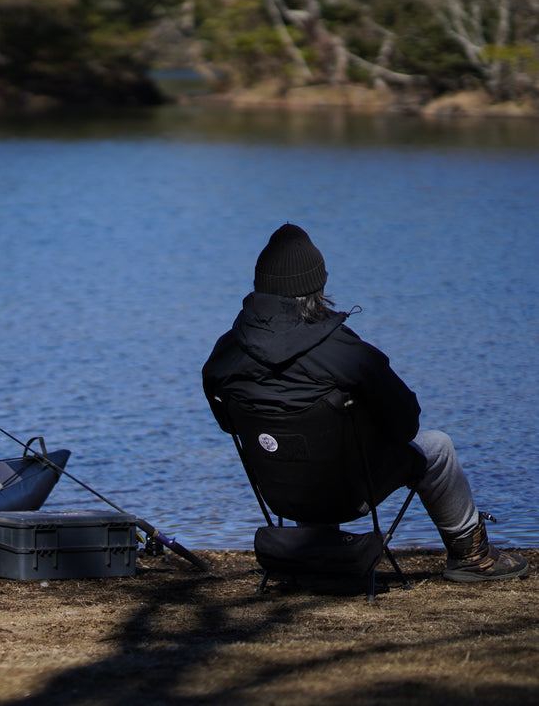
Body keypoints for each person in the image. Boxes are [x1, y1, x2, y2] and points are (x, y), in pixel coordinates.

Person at [202, 223, 528, 583]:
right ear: (317, 288)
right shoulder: (344, 353)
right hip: (347, 491)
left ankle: (314, 551)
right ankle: (473, 557)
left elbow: (230, 422)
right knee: (437, 447)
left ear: (260, 287)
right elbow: (407, 426)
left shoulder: (226, 352)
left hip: (280, 491)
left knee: (301, 443)